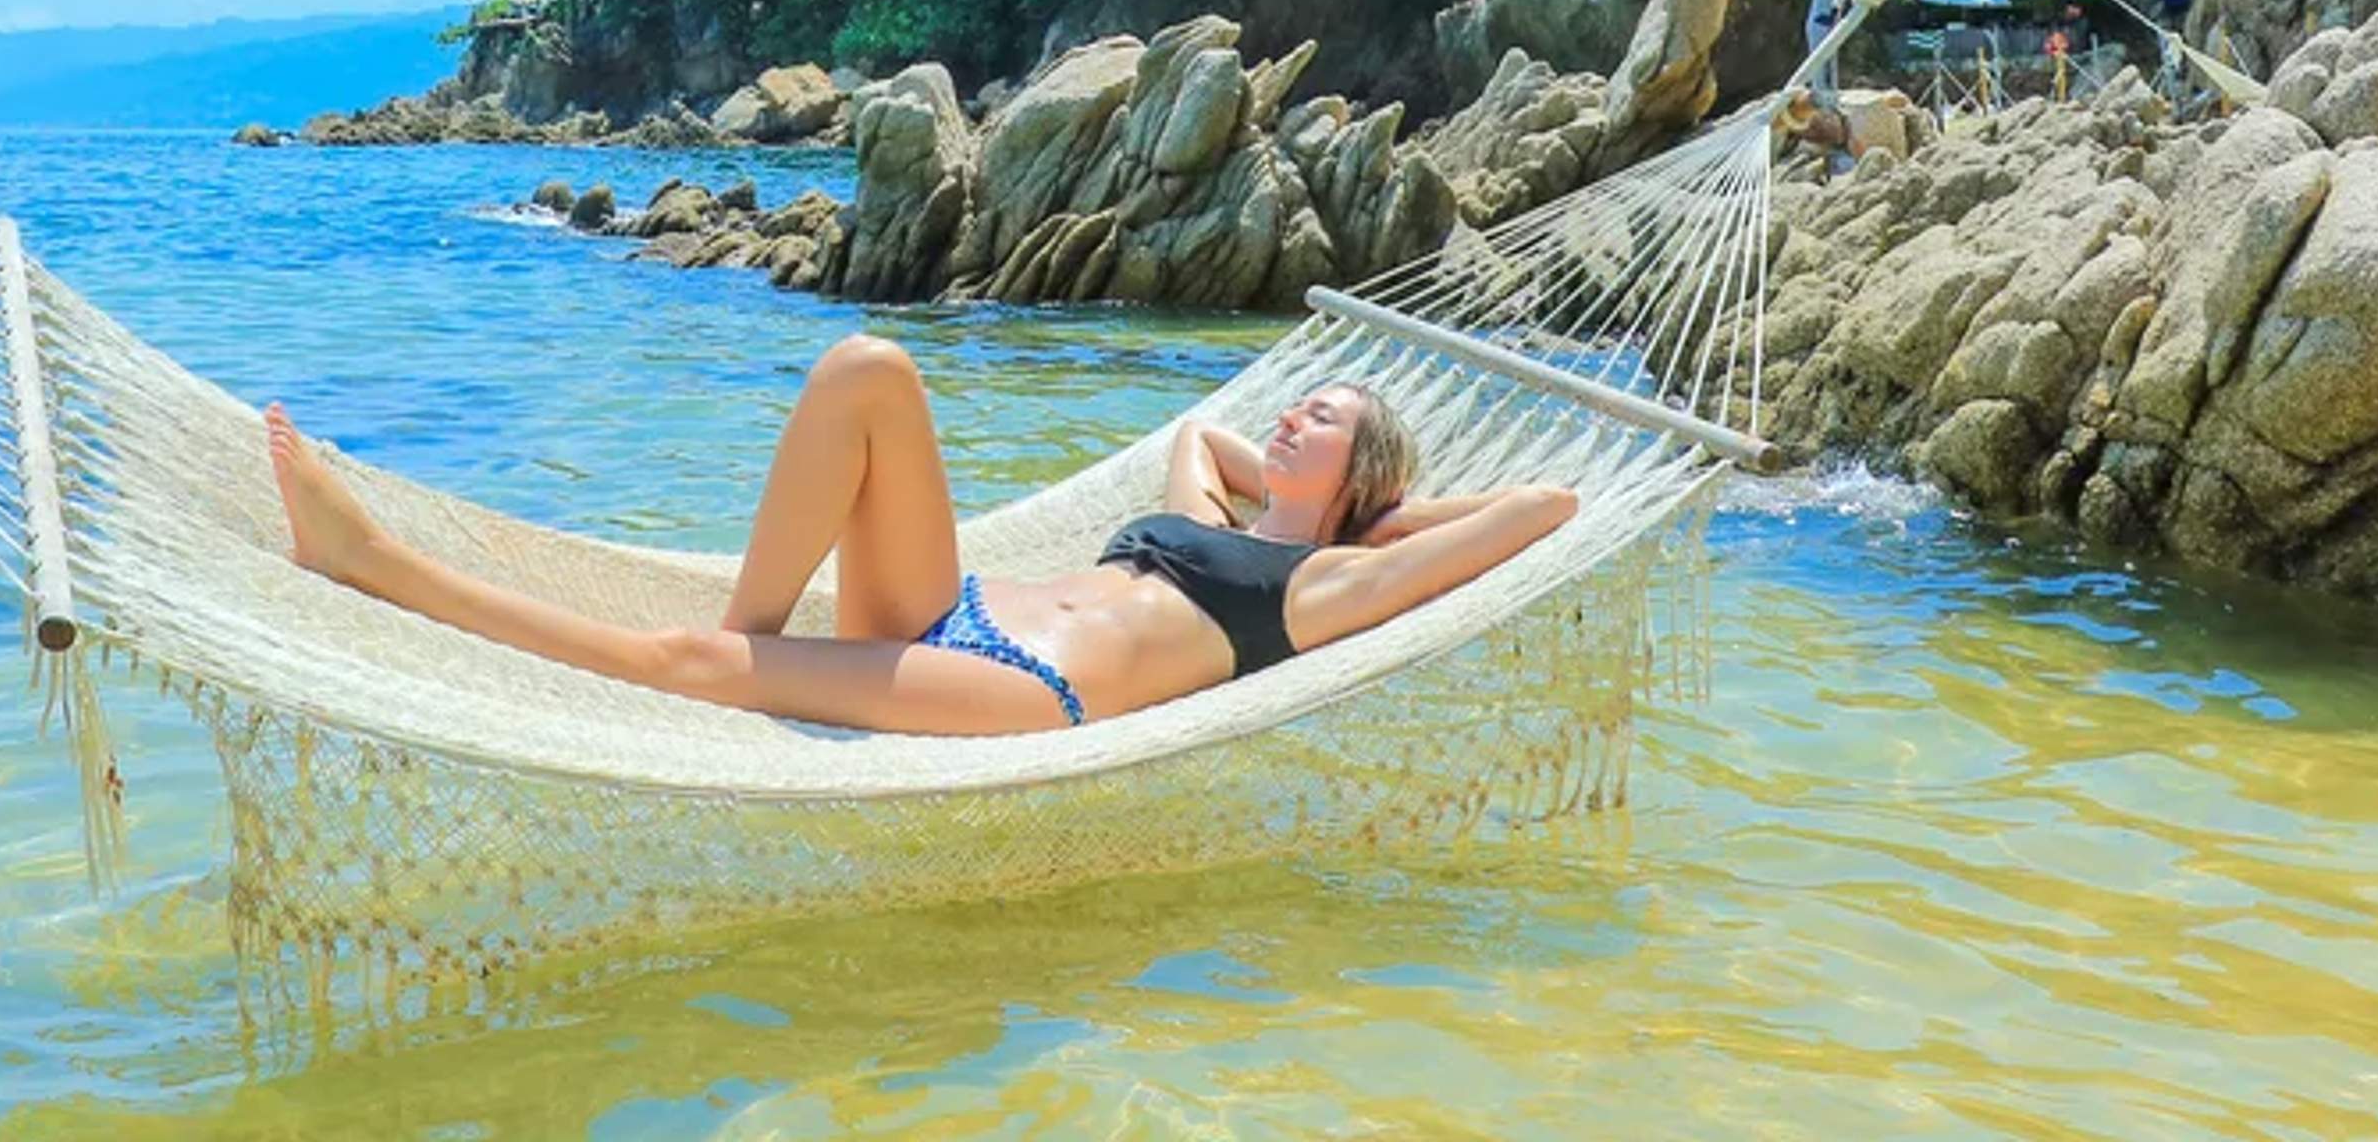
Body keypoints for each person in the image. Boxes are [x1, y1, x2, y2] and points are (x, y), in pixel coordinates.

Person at [263, 335, 1578, 737]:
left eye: (1326, 414)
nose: (1289, 415)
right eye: (1297, 397)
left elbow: (1545, 508)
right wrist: (1298, 469)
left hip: (1024, 689)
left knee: (681, 666)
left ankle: (377, 566)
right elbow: (1202, 438)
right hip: (953, 614)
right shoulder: (1204, 524)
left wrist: (1380, 510)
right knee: (868, 369)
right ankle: (756, 637)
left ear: (1374, 478)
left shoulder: (1334, 588)